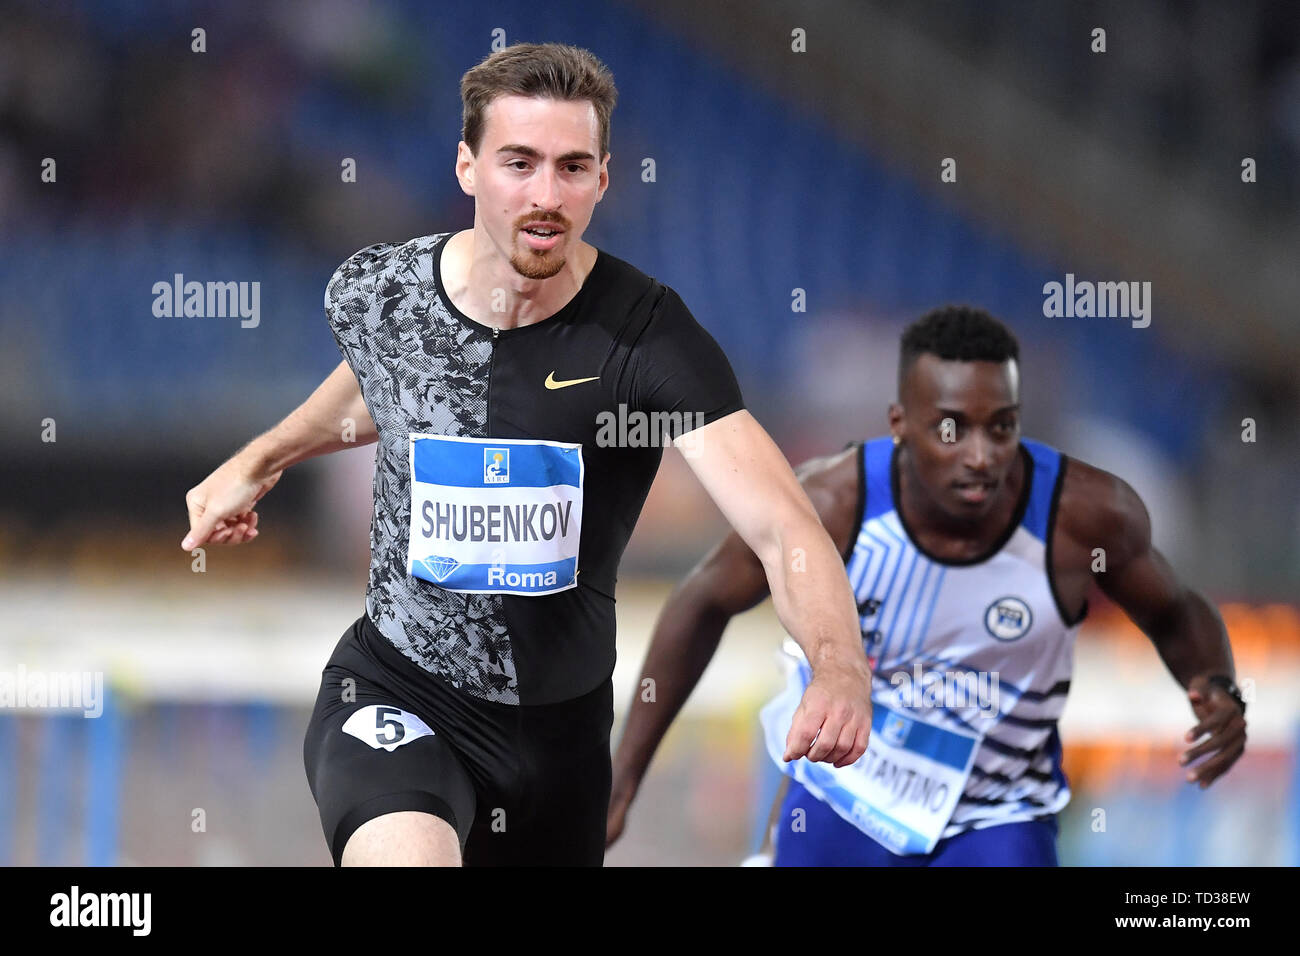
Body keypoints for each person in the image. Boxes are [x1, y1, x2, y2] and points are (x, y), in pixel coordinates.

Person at [180, 42, 872, 867]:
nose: (547, 196)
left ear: (604, 179)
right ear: (468, 167)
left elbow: (781, 523)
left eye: (573, 168)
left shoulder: (648, 339)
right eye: (520, 163)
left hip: (560, 740)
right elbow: (373, 393)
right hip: (399, 690)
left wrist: (838, 666)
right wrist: (261, 459)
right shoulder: (381, 293)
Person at [607, 306, 1247, 866]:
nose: (980, 454)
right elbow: (702, 600)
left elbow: (1176, 612)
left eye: (1001, 427)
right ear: (899, 424)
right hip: (847, 794)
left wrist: (1215, 685)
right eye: (951, 428)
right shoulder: (833, 505)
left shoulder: (1085, 517)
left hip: (998, 814)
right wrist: (625, 774)